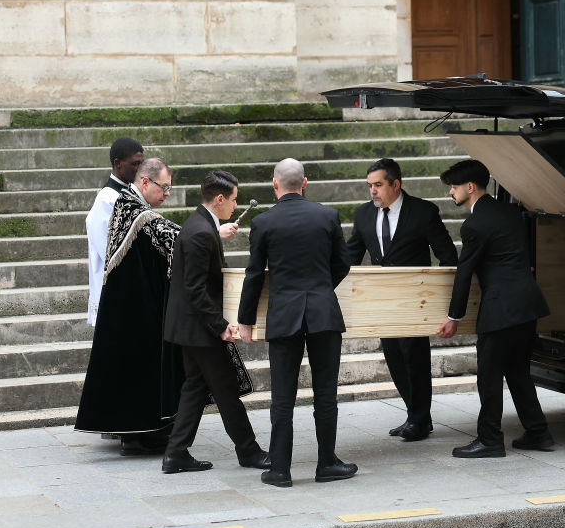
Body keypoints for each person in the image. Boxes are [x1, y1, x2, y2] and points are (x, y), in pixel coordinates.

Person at [238, 158, 355, 487]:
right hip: (323, 313)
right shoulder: (327, 216)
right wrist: (318, 289)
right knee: (326, 394)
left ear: (275, 185)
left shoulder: (263, 222)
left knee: (282, 398)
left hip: (284, 314)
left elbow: (253, 275)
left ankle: (280, 469)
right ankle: (327, 463)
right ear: (304, 184)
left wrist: (245, 321)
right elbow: (342, 264)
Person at [437, 159, 555, 458]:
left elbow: (465, 272)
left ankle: (490, 439)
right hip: (527, 304)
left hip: (500, 310)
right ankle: (538, 432)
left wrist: (454, 317)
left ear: (470, 187)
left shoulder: (474, 224)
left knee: (489, 376)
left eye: (454, 187)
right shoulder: (510, 212)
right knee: (518, 372)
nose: (451, 192)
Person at [161, 170, 270, 474]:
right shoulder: (200, 232)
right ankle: (248, 451)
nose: (235, 205)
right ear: (220, 198)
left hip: (191, 327)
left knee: (196, 387)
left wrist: (217, 233)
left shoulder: (202, 225)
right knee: (225, 389)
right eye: (233, 200)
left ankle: (175, 453)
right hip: (199, 329)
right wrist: (221, 326)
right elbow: (195, 288)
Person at [75, 158, 184, 455]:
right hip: (130, 305)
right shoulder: (131, 208)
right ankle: (137, 435)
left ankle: (141, 432)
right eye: (164, 187)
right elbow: (165, 235)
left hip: (134, 301)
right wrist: (207, 234)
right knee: (136, 369)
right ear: (146, 182)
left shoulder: (129, 205)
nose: (168, 194)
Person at [346, 158, 458, 442]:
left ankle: (419, 420)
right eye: (370, 186)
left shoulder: (423, 211)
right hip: (382, 302)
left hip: (416, 301)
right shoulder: (363, 215)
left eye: (378, 185)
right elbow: (350, 257)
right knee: (394, 357)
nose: (372, 191)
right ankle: (417, 416)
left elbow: (447, 255)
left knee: (415, 359)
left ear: (396, 184)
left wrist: (443, 299)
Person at [85, 137, 143, 327]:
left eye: (142, 163)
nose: (140, 169)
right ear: (118, 164)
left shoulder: (130, 194)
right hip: (114, 285)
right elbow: (111, 251)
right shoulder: (107, 199)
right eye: (135, 164)